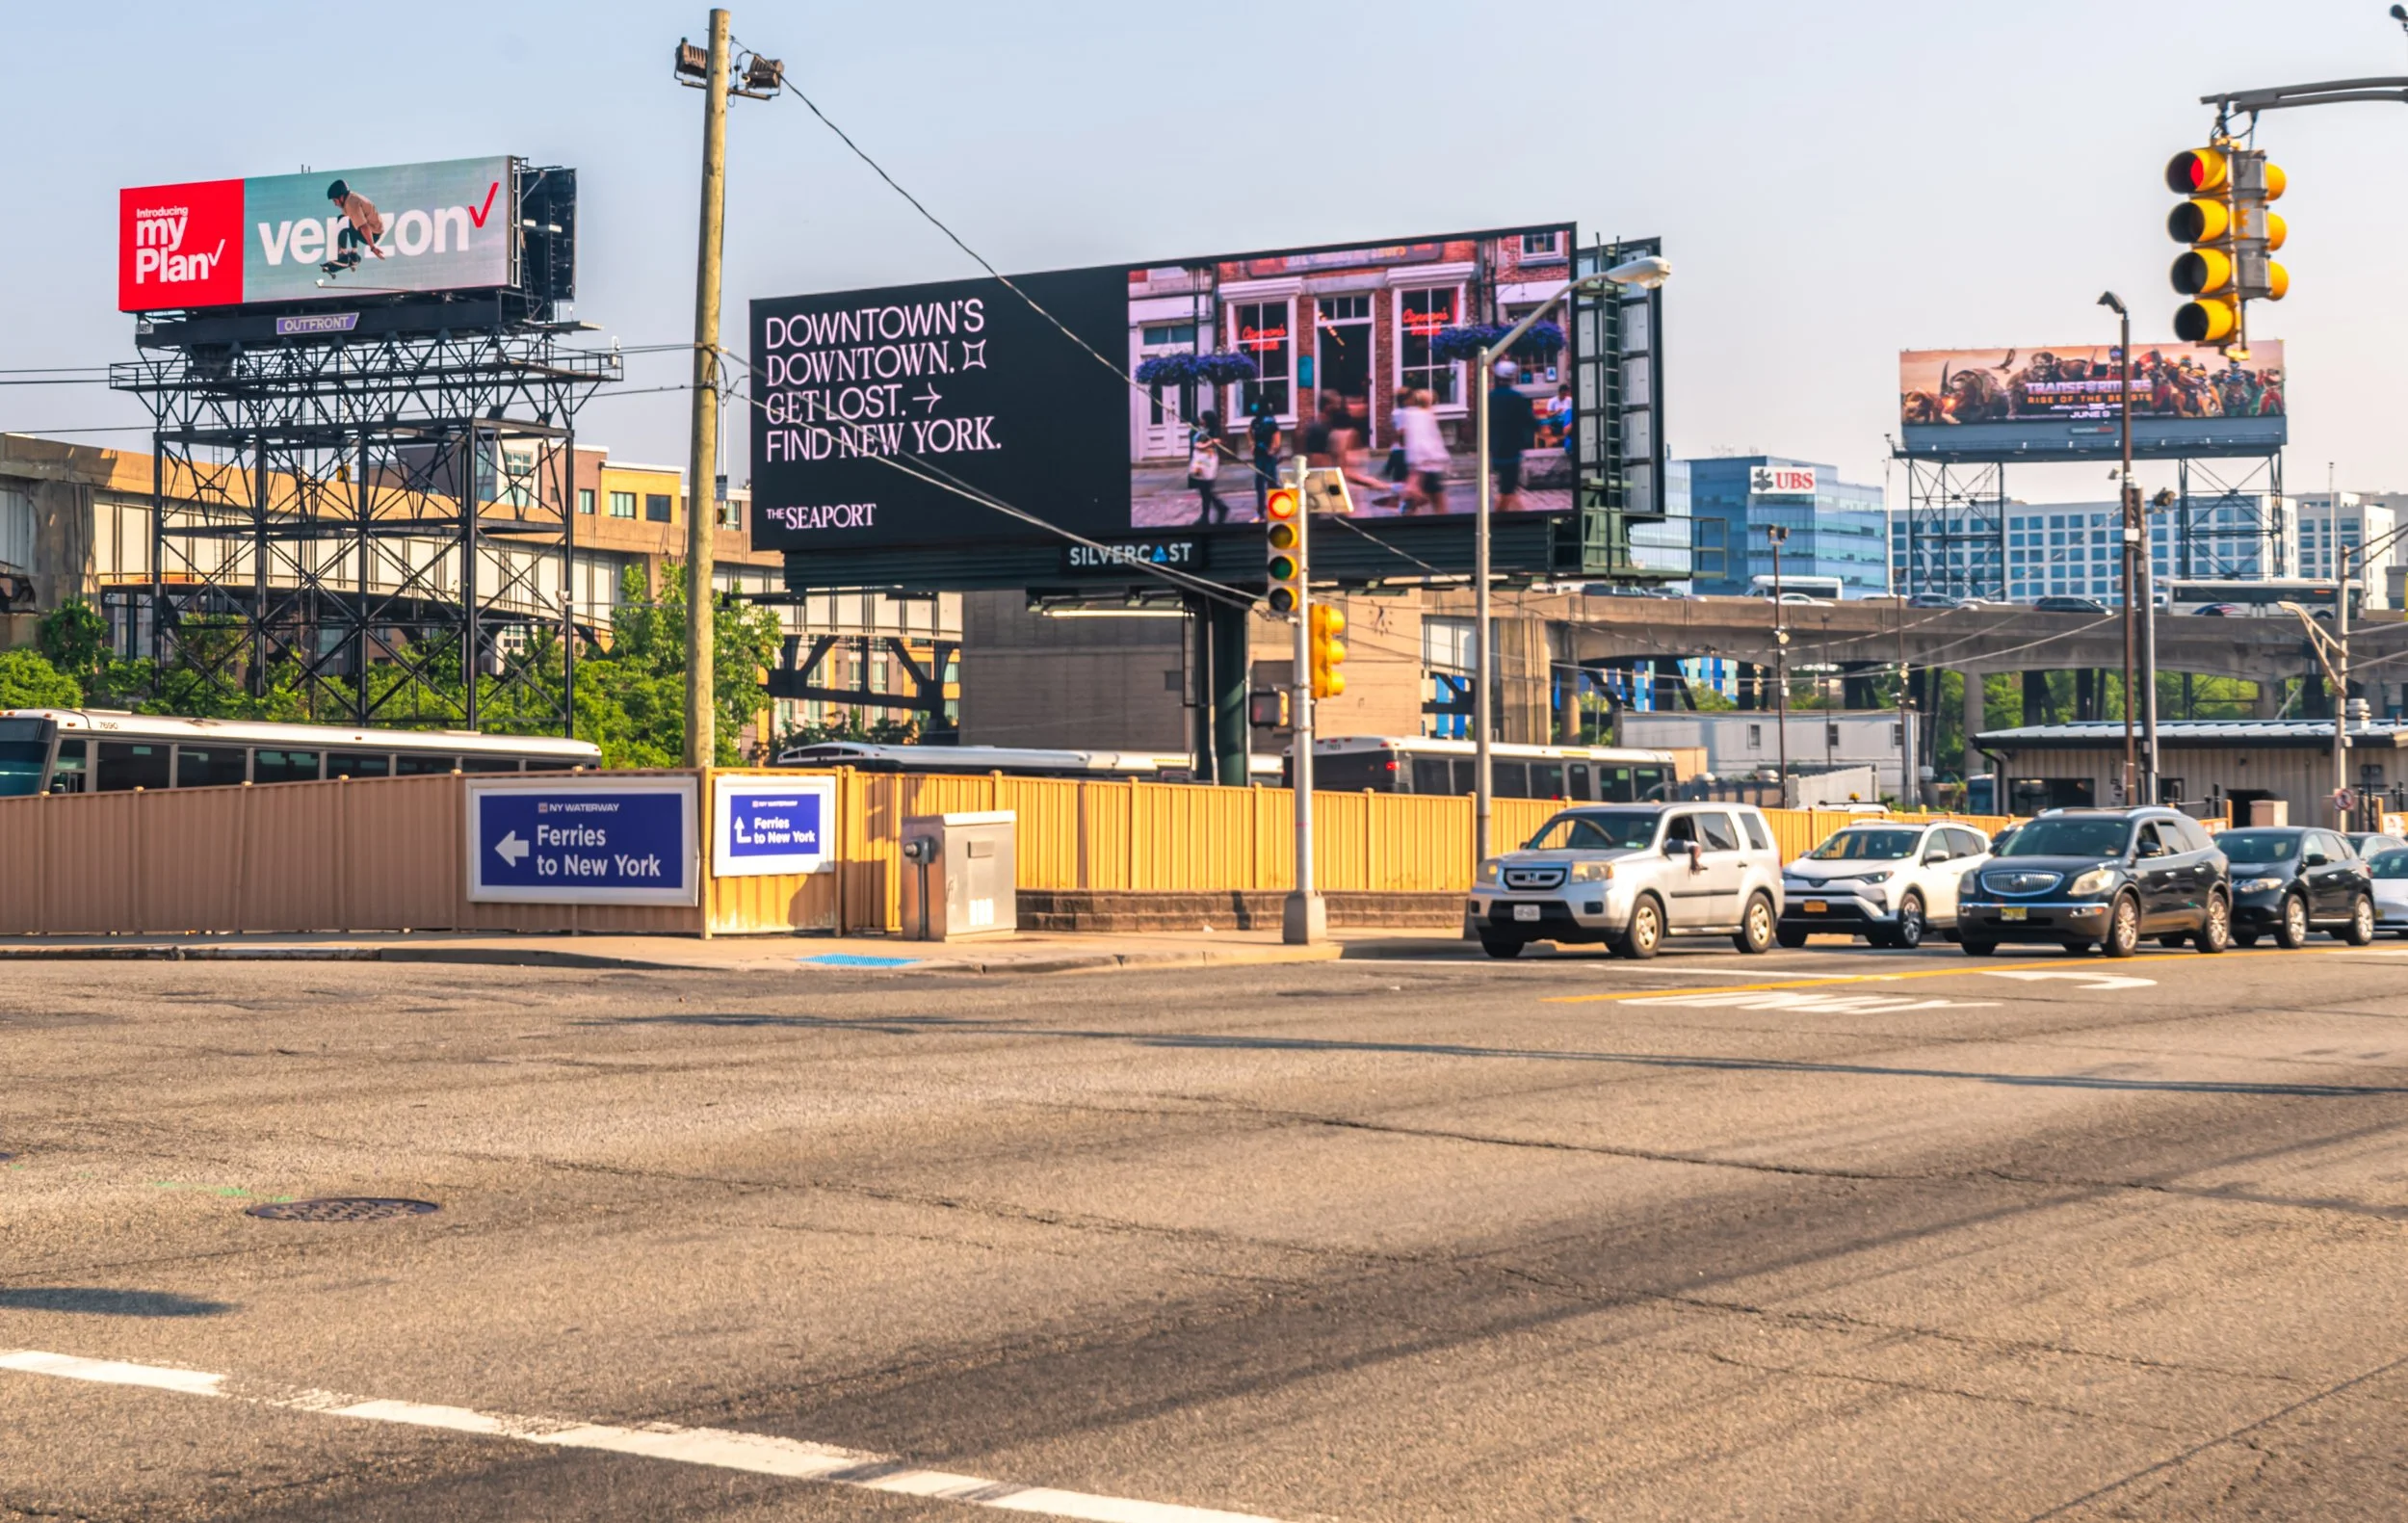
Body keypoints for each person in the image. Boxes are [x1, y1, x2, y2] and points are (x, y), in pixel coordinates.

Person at [1487, 360, 1537, 512]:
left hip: (1495, 448)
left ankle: (1521, 517)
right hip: (1512, 448)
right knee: (1508, 489)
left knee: (1508, 487)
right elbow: (1529, 420)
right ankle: (1497, 519)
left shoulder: (1490, 397)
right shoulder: (1517, 397)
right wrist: (1541, 429)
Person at [1396, 387, 1450, 515]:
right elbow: (1433, 442)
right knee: (1437, 502)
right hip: (1430, 464)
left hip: (1419, 464)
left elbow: (1407, 438)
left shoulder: (1408, 414)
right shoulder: (1428, 415)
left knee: (1413, 498)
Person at [323, 179, 387, 276]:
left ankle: (344, 256)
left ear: (341, 197)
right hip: (374, 230)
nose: (335, 204)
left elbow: (364, 227)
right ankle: (353, 256)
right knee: (345, 220)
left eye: (335, 200)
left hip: (372, 233)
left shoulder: (351, 204)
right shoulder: (349, 198)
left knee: (343, 220)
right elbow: (350, 227)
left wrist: (372, 247)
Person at [1188, 409, 1233, 525]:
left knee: (1206, 489)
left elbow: (1217, 441)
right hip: (1200, 462)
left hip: (1207, 463)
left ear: (1207, 420)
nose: (1201, 420)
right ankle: (1215, 511)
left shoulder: (1213, 430)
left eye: (1202, 418)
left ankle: (1210, 514)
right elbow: (1193, 437)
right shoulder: (1201, 430)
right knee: (1205, 490)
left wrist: (1203, 445)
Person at [1246, 398, 1282, 517]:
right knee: (1260, 484)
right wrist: (1251, 444)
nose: (1254, 406)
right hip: (1259, 455)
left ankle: (1278, 508)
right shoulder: (1255, 421)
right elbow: (1248, 432)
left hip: (1268, 456)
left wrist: (1273, 449)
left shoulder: (1270, 421)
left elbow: (1276, 435)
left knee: (1271, 482)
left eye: (1256, 404)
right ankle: (1261, 511)